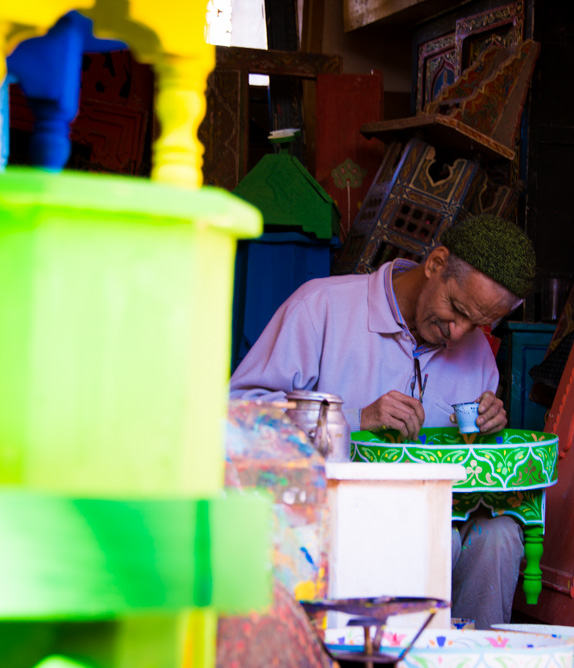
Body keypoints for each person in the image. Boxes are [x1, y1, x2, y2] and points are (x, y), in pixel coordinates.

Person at [229, 214, 536, 629]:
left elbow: (470, 463)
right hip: (333, 518)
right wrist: (353, 418)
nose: (459, 334)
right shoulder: (321, 307)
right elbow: (238, 412)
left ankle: (478, 655)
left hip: (443, 513)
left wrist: (489, 426)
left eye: (477, 323)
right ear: (436, 264)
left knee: (501, 536)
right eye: (456, 310)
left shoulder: (476, 351)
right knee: (432, 538)